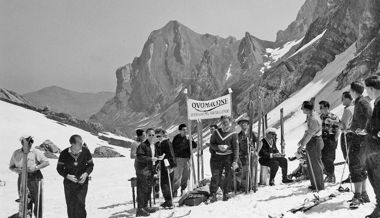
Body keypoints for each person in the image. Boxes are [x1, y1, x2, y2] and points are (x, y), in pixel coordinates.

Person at [9, 136, 49, 218]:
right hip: (22, 178)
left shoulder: (36, 152)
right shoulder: (16, 153)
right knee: (24, 200)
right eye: (28, 143)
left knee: (37, 201)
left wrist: (36, 167)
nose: (30, 145)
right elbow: (11, 166)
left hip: (35, 178)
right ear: (22, 144)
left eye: (31, 143)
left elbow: (46, 162)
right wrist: (16, 170)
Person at [347, 81, 372, 209]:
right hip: (359, 138)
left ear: (353, 91)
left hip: (360, 140)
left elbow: (370, 117)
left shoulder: (362, 102)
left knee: (355, 166)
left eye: (350, 90)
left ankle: (357, 195)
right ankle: (363, 194)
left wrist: (363, 129)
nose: (349, 92)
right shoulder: (359, 102)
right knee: (361, 166)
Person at [57, 135, 94, 218]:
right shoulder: (64, 153)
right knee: (70, 205)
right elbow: (59, 168)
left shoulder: (85, 151)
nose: (82, 144)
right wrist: (67, 175)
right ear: (73, 144)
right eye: (80, 143)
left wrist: (86, 174)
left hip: (82, 183)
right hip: (68, 183)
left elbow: (91, 165)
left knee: (80, 204)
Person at [209, 116, 239, 202]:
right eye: (223, 122)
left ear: (229, 122)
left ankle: (226, 193)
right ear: (221, 122)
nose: (225, 123)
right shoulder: (216, 132)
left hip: (228, 157)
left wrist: (235, 160)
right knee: (216, 175)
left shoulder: (233, 133)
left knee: (228, 175)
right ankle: (213, 194)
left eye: (226, 122)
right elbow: (212, 144)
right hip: (217, 157)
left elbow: (236, 148)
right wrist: (218, 147)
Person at [134, 128, 164, 217]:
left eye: (153, 135)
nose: (151, 136)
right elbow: (139, 157)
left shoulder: (153, 145)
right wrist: (150, 159)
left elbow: (153, 156)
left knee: (148, 189)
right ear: (146, 136)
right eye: (149, 135)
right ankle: (140, 209)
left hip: (150, 170)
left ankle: (145, 207)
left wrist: (159, 157)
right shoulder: (143, 145)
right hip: (143, 171)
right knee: (142, 190)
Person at [298, 101, 325, 191]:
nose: (301, 110)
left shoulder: (314, 119)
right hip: (311, 141)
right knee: (310, 163)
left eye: (302, 108)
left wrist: (302, 145)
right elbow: (307, 131)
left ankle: (319, 185)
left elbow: (310, 133)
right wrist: (302, 140)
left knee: (316, 163)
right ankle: (314, 184)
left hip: (315, 141)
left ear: (306, 109)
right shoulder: (309, 116)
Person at [364, 75, 380, 218]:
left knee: (377, 178)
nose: (366, 93)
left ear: (371, 88)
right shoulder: (377, 103)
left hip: (377, 150)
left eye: (367, 89)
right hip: (373, 149)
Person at [172, 124, 197, 197]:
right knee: (177, 176)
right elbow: (173, 148)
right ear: (180, 131)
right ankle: (175, 190)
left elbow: (195, 145)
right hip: (178, 159)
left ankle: (183, 189)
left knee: (186, 175)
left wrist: (191, 140)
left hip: (187, 159)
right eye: (183, 130)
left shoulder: (189, 137)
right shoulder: (176, 138)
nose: (185, 131)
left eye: (186, 129)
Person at [319, 100, 340, 183]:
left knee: (329, 158)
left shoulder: (333, 116)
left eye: (322, 107)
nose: (320, 109)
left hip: (330, 138)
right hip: (322, 139)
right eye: (320, 107)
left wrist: (335, 139)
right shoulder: (320, 117)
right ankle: (328, 174)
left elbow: (338, 129)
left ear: (326, 107)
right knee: (322, 158)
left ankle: (331, 176)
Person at [154, 129, 176, 208]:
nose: (158, 138)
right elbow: (156, 155)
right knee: (163, 183)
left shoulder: (167, 142)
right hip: (161, 165)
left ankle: (169, 201)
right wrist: (156, 165)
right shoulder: (157, 144)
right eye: (157, 136)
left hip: (167, 165)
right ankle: (168, 200)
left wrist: (171, 166)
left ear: (163, 135)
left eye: (160, 136)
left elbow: (171, 154)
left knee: (167, 183)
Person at [338, 91, 354, 183]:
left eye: (343, 98)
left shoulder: (348, 110)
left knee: (347, 155)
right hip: (355, 134)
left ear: (348, 98)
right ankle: (354, 174)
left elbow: (344, 126)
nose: (341, 100)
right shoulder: (355, 107)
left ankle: (352, 174)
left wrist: (337, 123)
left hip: (347, 134)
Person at [236, 117, 256, 191]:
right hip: (242, 156)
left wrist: (256, 151)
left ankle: (252, 185)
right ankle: (245, 186)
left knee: (251, 170)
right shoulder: (238, 135)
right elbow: (236, 146)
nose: (243, 125)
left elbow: (260, 142)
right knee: (244, 171)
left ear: (247, 124)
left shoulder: (252, 133)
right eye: (241, 123)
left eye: (245, 123)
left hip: (251, 154)